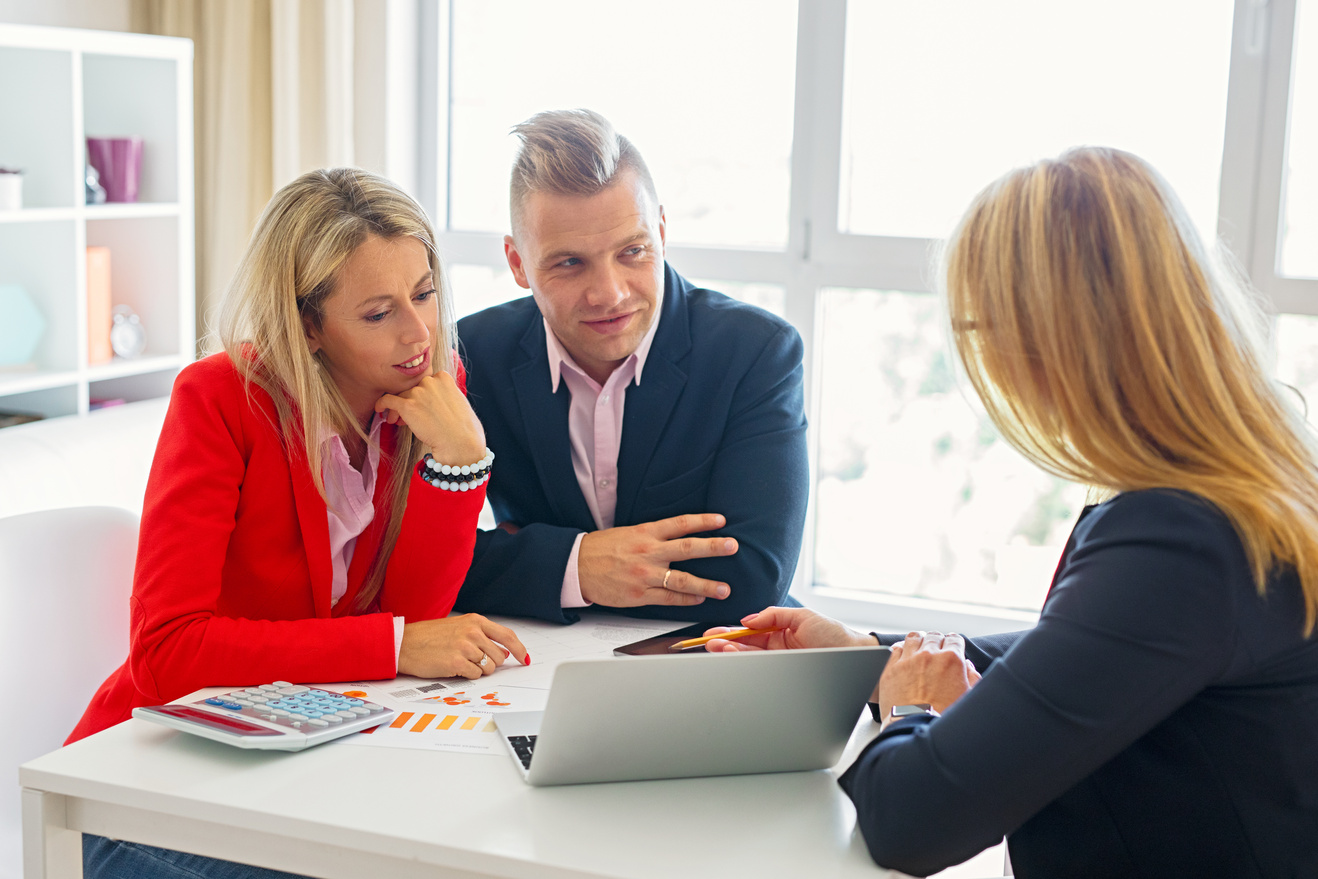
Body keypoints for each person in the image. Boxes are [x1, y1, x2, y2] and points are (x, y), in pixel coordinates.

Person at [704, 148, 1318, 877]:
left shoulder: (1180, 538)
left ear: (1052, 337)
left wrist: (910, 711)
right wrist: (865, 653)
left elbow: (910, 820)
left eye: (978, 330)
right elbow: (1083, 654)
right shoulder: (1249, 485)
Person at [69, 168, 529, 879]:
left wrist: (463, 459)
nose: (419, 333)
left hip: (304, 763)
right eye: (378, 314)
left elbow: (415, 614)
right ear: (307, 324)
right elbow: (166, 651)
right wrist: (396, 643)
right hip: (147, 789)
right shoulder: (219, 400)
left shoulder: (431, 395)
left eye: (425, 293)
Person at [453, 109, 809, 624]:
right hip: (537, 660)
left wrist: (540, 559)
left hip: (714, 660)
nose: (610, 293)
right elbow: (421, 566)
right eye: (570, 262)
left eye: (633, 251)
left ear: (661, 231)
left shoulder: (756, 352)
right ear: (517, 264)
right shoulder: (473, 355)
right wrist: (582, 565)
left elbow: (752, 575)